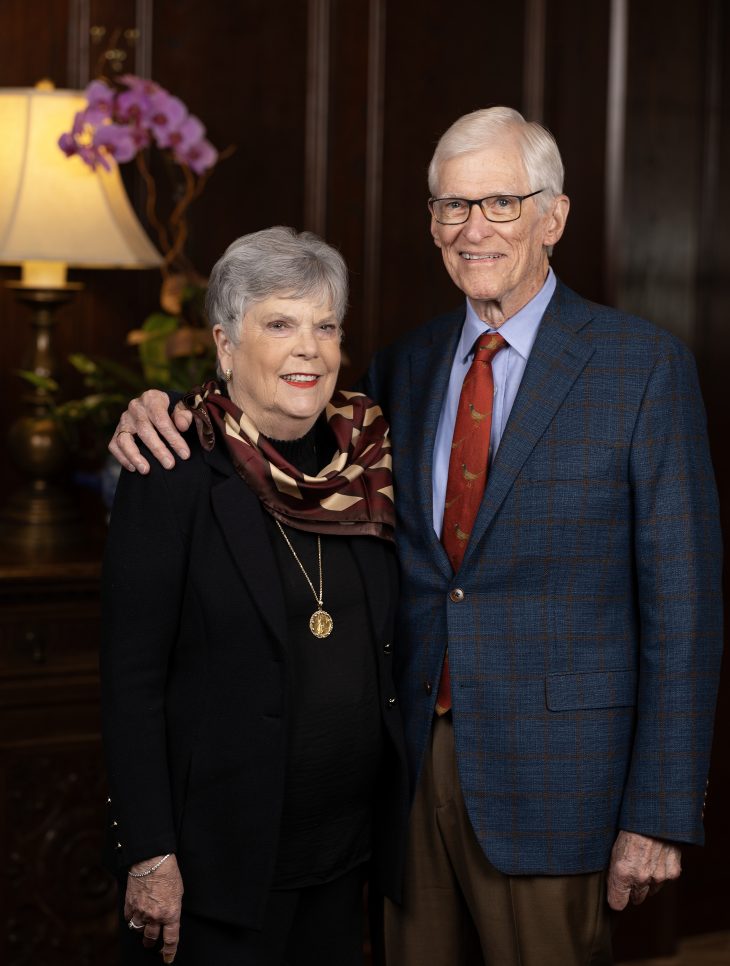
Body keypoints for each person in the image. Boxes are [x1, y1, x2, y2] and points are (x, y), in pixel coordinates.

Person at [109, 108, 723, 966]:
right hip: (400, 783)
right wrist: (152, 411)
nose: (472, 228)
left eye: (500, 203)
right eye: (451, 206)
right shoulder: (402, 369)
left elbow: (684, 608)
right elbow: (270, 413)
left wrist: (656, 812)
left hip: (556, 783)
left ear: (554, 216)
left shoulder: (643, 368)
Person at [101, 226, 409, 966]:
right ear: (225, 342)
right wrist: (150, 857)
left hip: (348, 861)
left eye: (325, 325)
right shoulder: (173, 467)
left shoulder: (366, 464)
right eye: (279, 323)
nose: (310, 348)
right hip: (218, 869)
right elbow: (129, 683)